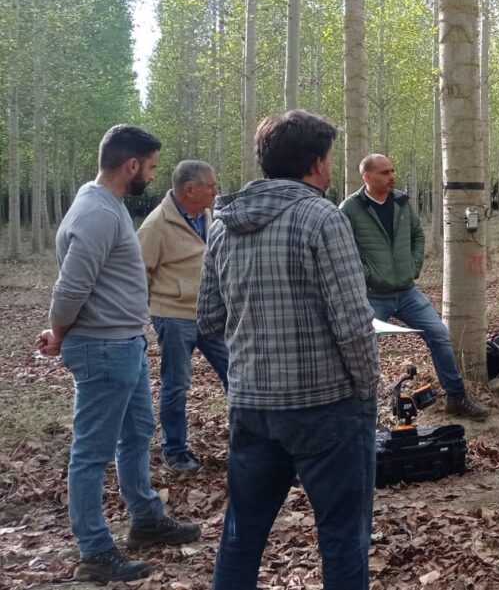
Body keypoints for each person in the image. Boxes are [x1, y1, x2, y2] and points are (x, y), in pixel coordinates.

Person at [199, 111, 381, 587]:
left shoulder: (223, 225)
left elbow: (208, 319)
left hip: (252, 405)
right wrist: (366, 389)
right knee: (343, 536)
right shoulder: (322, 217)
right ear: (317, 164)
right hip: (326, 406)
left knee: (242, 534)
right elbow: (354, 323)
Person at [37, 125, 200, 582]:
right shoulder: (98, 213)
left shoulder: (105, 206)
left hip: (122, 344)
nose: (151, 175)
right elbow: (70, 287)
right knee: (92, 452)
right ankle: (94, 550)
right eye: (150, 167)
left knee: (136, 433)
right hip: (104, 347)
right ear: (131, 165)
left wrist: (62, 330)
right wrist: (60, 331)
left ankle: (146, 518)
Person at [340, 153, 489, 420]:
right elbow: (343, 251)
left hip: (407, 292)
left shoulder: (401, 201)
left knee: (438, 335)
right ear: (367, 176)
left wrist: (413, 266)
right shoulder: (349, 209)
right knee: (364, 351)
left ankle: (456, 397)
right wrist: (368, 275)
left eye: (392, 170)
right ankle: (362, 413)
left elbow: (417, 235)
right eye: (384, 172)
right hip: (373, 296)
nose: (392, 176)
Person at [138, 160, 230, 474]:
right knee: (176, 385)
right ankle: (175, 452)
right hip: (174, 317)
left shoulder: (208, 215)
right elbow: (139, 276)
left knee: (237, 374)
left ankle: (249, 441)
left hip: (210, 315)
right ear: (190, 190)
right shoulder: (155, 226)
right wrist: (148, 315)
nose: (215, 191)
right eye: (210, 186)